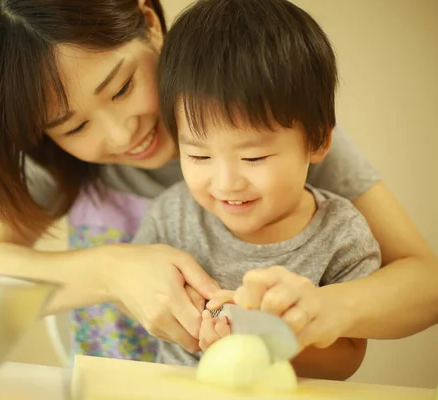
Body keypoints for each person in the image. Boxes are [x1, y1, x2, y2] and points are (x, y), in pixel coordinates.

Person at [0, 0, 438, 365]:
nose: (122, 133)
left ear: (149, 21)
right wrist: (114, 269)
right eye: (74, 126)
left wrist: (325, 311)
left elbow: (424, 281)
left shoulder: (271, 132)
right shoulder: (60, 162)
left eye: (121, 87)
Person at [131, 0, 380, 380]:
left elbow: (347, 360)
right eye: (198, 156)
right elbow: (141, 300)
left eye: (254, 158)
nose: (226, 182)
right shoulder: (172, 215)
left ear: (316, 141)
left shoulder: (342, 235)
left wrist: (262, 337)